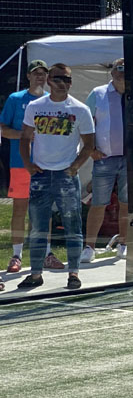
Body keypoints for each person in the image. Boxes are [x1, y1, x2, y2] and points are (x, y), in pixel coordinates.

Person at [18, 64, 95, 289]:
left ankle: (73, 273)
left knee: (72, 224)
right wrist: (28, 165)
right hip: (41, 174)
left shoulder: (80, 109)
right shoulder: (35, 106)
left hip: (65, 175)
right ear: (49, 81)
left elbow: (89, 144)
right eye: (59, 78)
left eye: (68, 80)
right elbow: (25, 138)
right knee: (38, 226)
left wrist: (75, 167)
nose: (63, 83)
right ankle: (35, 274)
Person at [81, 58, 133, 262]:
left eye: (126, 70)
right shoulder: (98, 93)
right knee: (98, 203)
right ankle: (89, 247)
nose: (122, 73)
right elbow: (86, 124)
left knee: (126, 203)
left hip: (130, 159)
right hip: (104, 158)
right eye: (119, 69)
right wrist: (91, 149)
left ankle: (123, 243)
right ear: (112, 73)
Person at [1, 59, 65, 273]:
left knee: (44, 212)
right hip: (20, 164)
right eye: (35, 73)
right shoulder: (15, 98)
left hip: (46, 164)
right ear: (28, 76)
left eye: (43, 73)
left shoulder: (52, 100)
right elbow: (3, 128)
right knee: (20, 210)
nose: (39, 76)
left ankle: (46, 253)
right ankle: (17, 255)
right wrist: (25, 136)